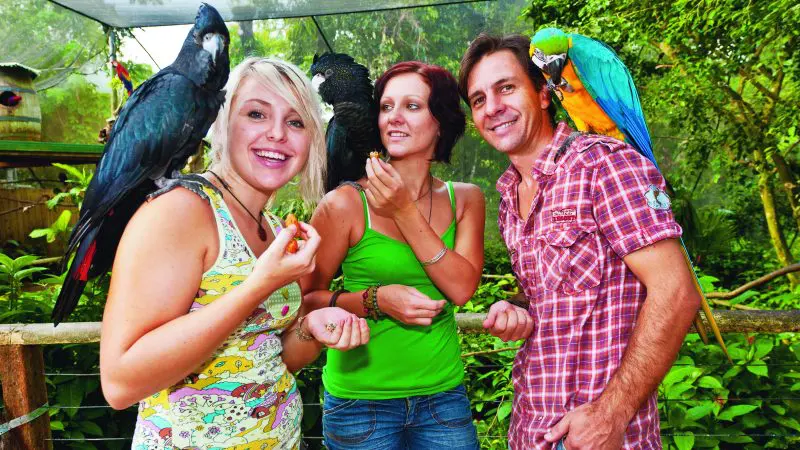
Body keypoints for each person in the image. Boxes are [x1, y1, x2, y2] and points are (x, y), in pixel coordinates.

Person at [99, 57, 370, 449]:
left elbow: (266, 358)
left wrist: (310, 329)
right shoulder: (180, 210)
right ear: (222, 124)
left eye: (295, 122)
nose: (277, 133)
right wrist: (259, 285)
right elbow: (121, 383)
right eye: (256, 114)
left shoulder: (276, 227)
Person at [458, 34, 702, 450]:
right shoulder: (507, 198)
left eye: (506, 88)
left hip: (605, 437)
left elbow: (677, 292)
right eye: (478, 99)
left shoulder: (605, 164)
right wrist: (515, 307)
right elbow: (551, 291)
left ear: (543, 93)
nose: (492, 107)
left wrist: (611, 413)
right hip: (530, 427)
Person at [302, 61, 488, 450]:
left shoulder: (466, 198)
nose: (393, 119)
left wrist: (404, 210)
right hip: (359, 403)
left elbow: (461, 289)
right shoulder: (344, 204)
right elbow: (306, 302)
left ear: (442, 121)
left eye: (412, 107)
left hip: (443, 398)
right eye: (386, 107)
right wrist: (375, 301)